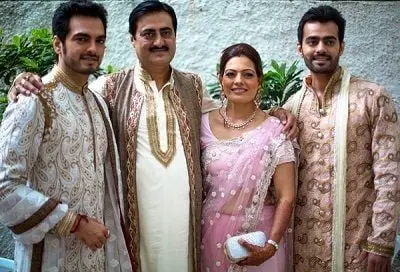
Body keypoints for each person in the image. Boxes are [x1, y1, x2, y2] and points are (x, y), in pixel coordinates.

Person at [9, 2, 298, 271]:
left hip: (186, 225)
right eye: (148, 34)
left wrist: (275, 112)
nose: (159, 41)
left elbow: (233, 111)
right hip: (137, 225)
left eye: (166, 33)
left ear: (175, 38)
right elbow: (66, 90)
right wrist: (21, 84)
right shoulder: (108, 88)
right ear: (133, 40)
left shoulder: (193, 87)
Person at [0, 1, 131, 271]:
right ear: (58, 44)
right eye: (81, 39)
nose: (93, 49)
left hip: (94, 256)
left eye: (100, 40)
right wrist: (74, 223)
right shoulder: (33, 98)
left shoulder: (98, 103)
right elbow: (5, 187)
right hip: (50, 257)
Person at [283, 5, 400, 272]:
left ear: (342, 47)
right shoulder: (292, 107)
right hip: (304, 249)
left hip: (359, 246)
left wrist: (382, 241)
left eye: (329, 41)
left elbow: (390, 175)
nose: (320, 48)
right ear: (300, 48)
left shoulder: (372, 98)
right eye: (312, 41)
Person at [200, 43, 297, 272]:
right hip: (211, 233)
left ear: (259, 80)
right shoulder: (202, 123)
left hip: (259, 236)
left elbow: (287, 196)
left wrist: (271, 245)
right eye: (231, 74)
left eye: (248, 74)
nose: (238, 81)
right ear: (221, 79)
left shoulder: (276, 129)